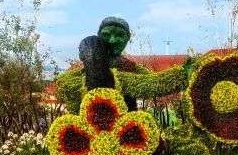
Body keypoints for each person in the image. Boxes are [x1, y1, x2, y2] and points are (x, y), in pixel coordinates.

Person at [57, 16, 192, 113]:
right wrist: (93, 67)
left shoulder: (131, 67)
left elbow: (152, 83)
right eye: (107, 35)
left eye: (120, 35)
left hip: (125, 128)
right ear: (99, 36)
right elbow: (63, 82)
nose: (113, 40)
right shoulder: (86, 67)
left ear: (128, 38)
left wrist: (184, 73)